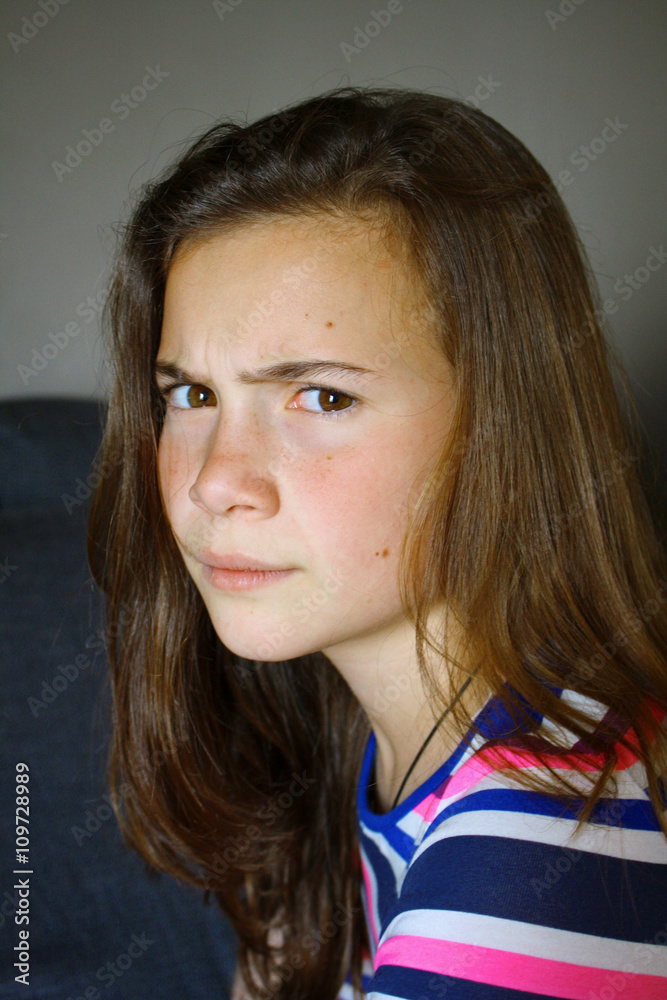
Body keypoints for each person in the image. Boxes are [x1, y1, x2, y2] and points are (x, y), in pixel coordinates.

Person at [86, 86, 667, 1000]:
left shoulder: (529, 864)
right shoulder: (355, 737)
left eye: (322, 397)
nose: (214, 482)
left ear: (501, 424)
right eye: (192, 396)